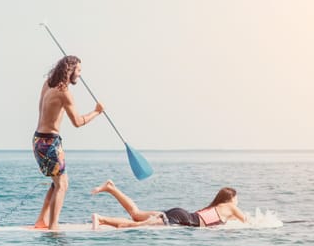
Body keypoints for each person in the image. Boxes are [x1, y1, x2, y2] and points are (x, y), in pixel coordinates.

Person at [33, 55, 104, 230]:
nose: (80, 75)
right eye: (78, 71)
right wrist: (97, 112)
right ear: (70, 70)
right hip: (50, 143)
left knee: (56, 182)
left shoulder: (48, 84)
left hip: (38, 139)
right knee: (63, 184)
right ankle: (54, 226)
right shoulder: (64, 92)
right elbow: (78, 122)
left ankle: (42, 220)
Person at [90, 180, 247, 229]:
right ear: (231, 198)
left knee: (136, 214)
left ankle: (111, 188)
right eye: (237, 198)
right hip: (182, 219)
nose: (237, 201)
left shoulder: (218, 208)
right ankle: (101, 219)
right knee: (136, 225)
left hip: (181, 213)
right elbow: (247, 222)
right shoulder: (231, 207)